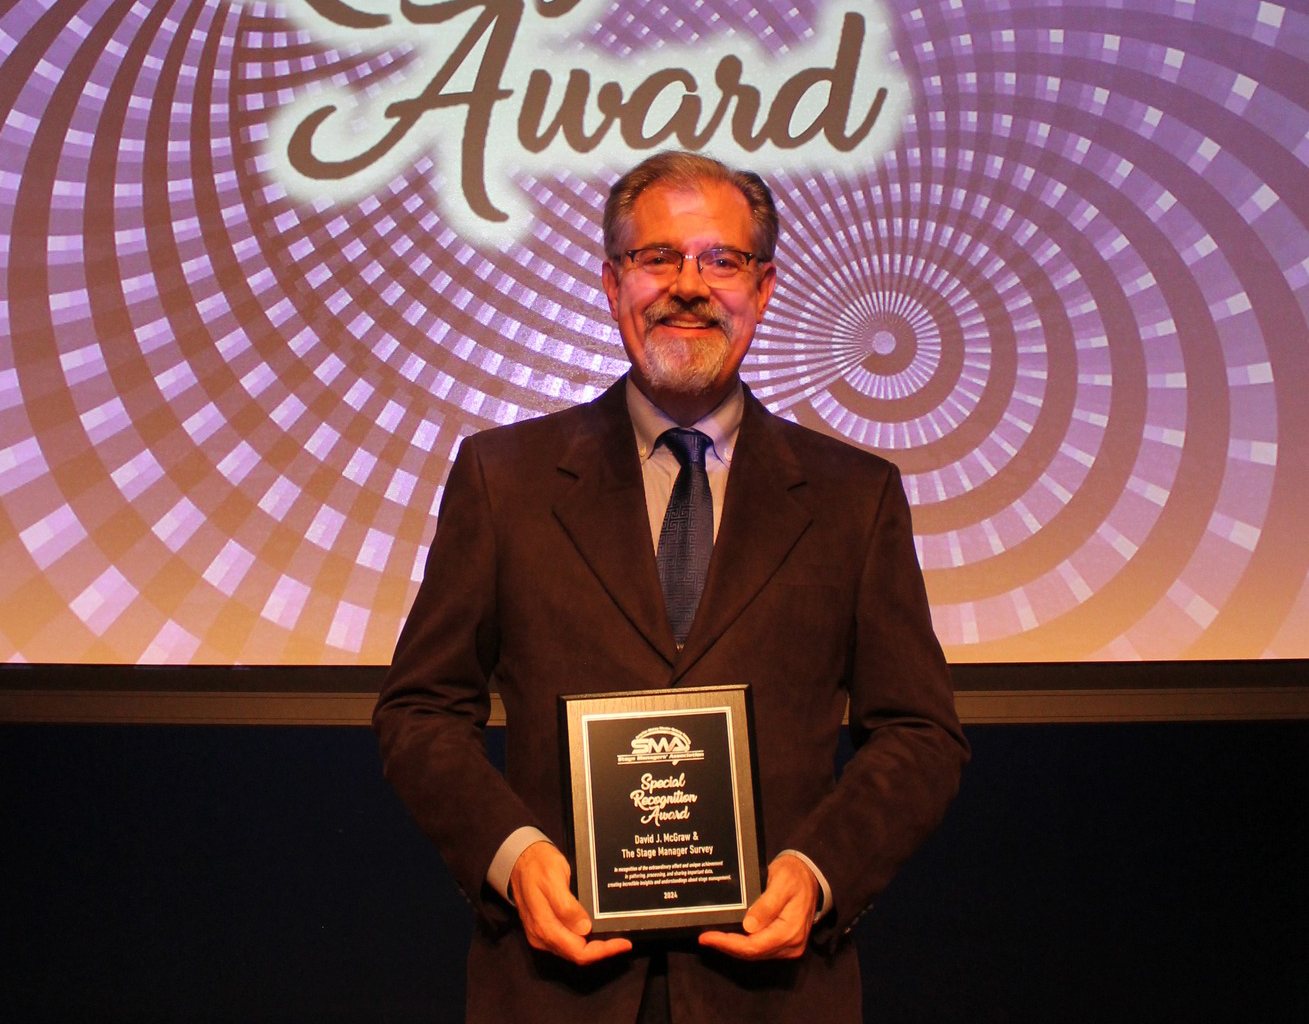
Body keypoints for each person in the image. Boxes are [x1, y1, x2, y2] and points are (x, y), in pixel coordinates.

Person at [373, 151, 968, 1024]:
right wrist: (512, 857)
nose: (688, 285)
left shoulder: (855, 497)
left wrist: (817, 875)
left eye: (720, 260)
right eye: (657, 258)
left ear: (762, 290)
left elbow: (919, 731)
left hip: (774, 993)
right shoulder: (504, 478)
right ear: (614, 283)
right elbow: (420, 710)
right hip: (553, 988)